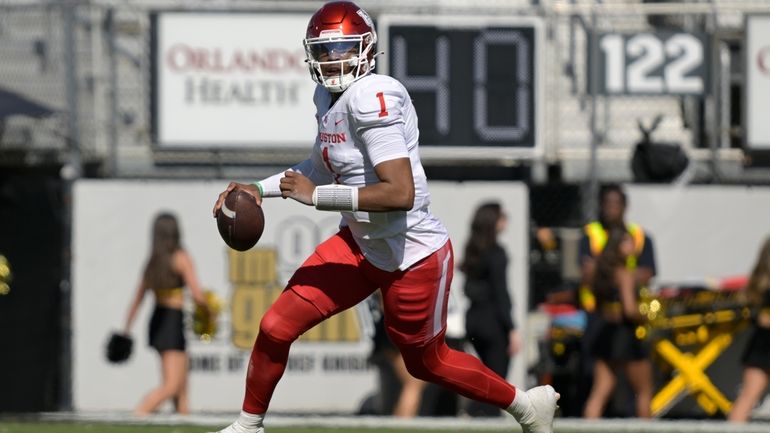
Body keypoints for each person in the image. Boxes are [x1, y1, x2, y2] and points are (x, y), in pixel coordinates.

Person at [209, 3, 558, 433]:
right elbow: (318, 166)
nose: (331, 59)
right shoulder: (327, 97)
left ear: (366, 48)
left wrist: (318, 198)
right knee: (276, 325)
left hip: (412, 253)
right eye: (322, 50)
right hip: (359, 244)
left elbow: (400, 193)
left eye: (340, 48)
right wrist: (256, 189)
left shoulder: (374, 96)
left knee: (426, 363)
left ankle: (525, 405)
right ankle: (247, 426)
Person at [577, 184, 656, 416]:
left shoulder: (606, 272)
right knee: (643, 391)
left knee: (601, 389)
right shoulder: (624, 275)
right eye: (628, 242)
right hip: (625, 334)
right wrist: (648, 316)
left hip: (606, 331)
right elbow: (630, 309)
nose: (633, 244)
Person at [123, 212, 209, 416]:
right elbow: (197, 295)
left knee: (181, 389)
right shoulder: (181, 257)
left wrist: (126, 330)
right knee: (171, 386)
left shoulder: (152, 262)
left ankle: (183, 420)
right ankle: (138, 415)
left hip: (158, 320)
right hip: (172, 320)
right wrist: (209, 313)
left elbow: (138, 298)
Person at [461, 202, 521, 417]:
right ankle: (481, 413)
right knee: (497, 381)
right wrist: (512, 329)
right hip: (492, 322)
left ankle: (475, 411)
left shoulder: (473, 250)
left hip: (474, 320)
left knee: (485, 376)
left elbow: (469, 288)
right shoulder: (497, 253)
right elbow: (501, 293)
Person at [729, 236, 770, 422]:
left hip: (761, 345)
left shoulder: (758, 283)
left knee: (747, 397)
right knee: (748, 396)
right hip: (763, 345)